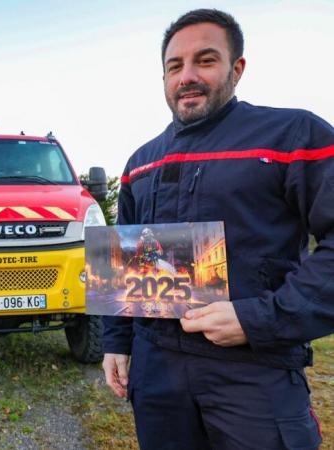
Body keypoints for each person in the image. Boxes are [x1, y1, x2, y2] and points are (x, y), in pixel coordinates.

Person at [102, 9, 333, 450]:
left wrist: (259, 318)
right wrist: (118, 343)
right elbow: (128, 262)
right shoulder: (140, 162)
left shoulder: (292, 135)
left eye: (205, 60)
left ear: (237, 68)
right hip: (156, 373)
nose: (187, 76)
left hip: (253, 372)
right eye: (175, 66)